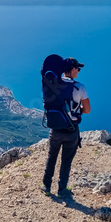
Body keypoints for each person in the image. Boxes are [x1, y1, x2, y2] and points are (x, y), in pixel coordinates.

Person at [41, 57, 91, 198]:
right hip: (71, 130)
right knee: (66, 161)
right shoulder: (80, 87)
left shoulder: (53, 84)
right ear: (73, 69)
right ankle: (62, 189)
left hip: (55, 129)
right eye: (78, 69)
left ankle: (46, 186)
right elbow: (87, 110)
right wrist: (75, 108)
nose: (79, 71)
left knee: (52, 157)